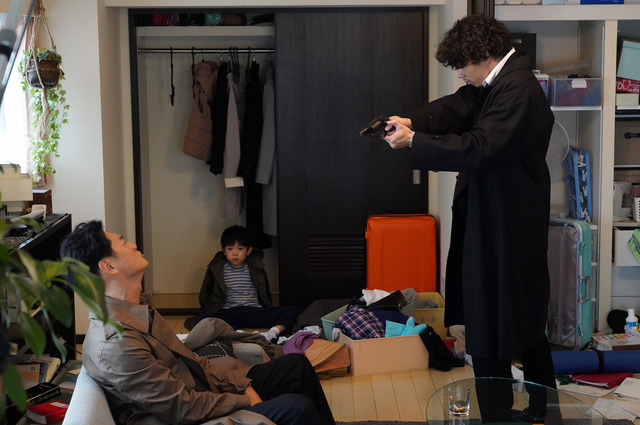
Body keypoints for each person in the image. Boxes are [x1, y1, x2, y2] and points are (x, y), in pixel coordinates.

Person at [382, 13, 556, 414]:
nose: (460, 73)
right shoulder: (501, 80)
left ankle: (511, 414)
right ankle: (542, 410)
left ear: (484, 54)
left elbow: (480, 147)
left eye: (462, 64)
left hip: (506, 225)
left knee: (498, 323)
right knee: (516, 321)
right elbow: (462, 104)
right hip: (499, 219)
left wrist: (416, 141)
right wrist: (413, 122)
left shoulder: (517, 89)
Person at [60, 220, 334, 425]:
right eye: (122, 243)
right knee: (297, 408)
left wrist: (241, 384)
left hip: (202, 391)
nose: (132, 245)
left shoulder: (137, 308)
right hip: (193, 416)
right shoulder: (116, 344)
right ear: (109, 266)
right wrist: (243, 398)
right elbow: (181, 408)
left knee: (295, 365)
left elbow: (192, 362)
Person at [198, 225, 299, 342]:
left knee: (292, 310)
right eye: (230, 249)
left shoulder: (256, 267)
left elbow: (265, 291)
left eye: (240, 249)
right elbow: (206, 292)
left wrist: (267, 309)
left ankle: (272, 333)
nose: (235, 253)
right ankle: (239, 333)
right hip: (229, 312)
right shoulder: (216, 268)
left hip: (254, 311)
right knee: (205, 319)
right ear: (224, 251)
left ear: (248, 251)